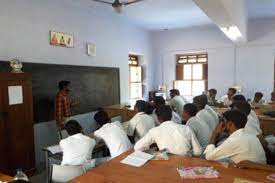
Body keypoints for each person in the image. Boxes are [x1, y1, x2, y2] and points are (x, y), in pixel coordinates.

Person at [134, 105, 202, 156]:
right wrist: (188, 153)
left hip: (166, 164)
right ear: (171, 115)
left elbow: (137, 147)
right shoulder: (186, 128)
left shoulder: (154, 131)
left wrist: (153, 151)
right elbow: (198, 152)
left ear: (157, 118)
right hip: (184, 164)